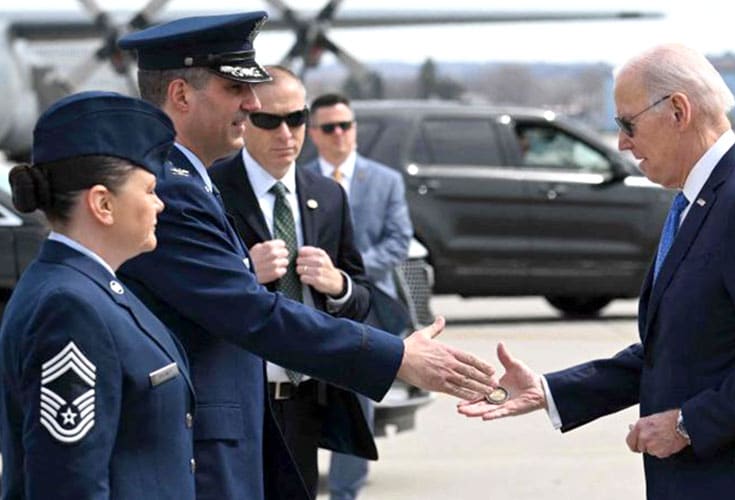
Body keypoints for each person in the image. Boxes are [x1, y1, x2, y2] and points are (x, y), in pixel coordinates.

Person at [116, 12, 496, 500]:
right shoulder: (172, 191)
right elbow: (250, 313)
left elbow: (344, 283)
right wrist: (396, 355)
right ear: (182, 95)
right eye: (237, 89)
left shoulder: (194, 181)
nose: (252, 103)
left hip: (271, 420)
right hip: (205, 446)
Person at [459, 43, 735, 500]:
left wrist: (689, 425)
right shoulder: (700, 198)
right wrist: (550, 391)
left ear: (677, 111)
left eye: (627, 124)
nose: (622, 144)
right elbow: (670, 350)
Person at [0, 91, 196, 499]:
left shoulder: (91, 288)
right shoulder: (69, 306)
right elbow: (69, 483)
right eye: (148, 190)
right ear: (103, 204)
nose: (160, 204)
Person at [210, 66, 376, 497]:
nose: (286, 133)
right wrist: (245, 272)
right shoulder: (211, 189)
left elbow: (361, 296)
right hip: (238, 400)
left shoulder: (328, 194)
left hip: (305, 400)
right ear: (245, 119)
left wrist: (336, 284)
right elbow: (191, 293)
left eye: (297, 118)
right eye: (269, 120)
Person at [304, 92, 414, 500]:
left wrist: (345, 276)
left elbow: (398, 241)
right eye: (329, 128)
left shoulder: (386, 181)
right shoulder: (300, 180)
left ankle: (345, 492)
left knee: (357, 403)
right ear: (313, 133)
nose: (339, 135)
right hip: (308, 306)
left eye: (346, 126)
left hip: (366, 307)